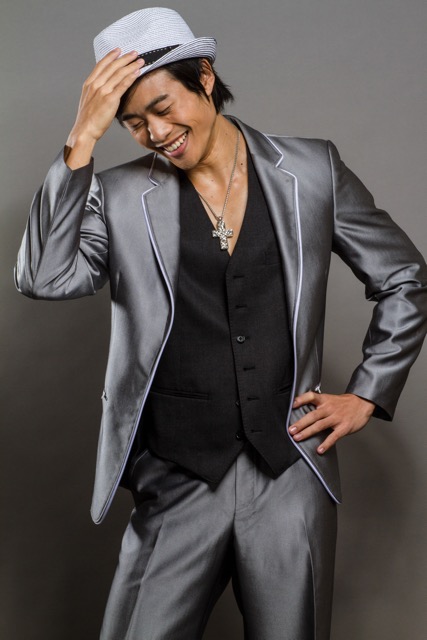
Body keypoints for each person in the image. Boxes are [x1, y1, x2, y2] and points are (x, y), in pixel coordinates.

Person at [15, 7, 427, 640]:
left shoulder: (311, 171)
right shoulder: (117, 195)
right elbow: (44, 277)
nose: (156, 133)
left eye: (162, 108)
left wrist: (368, 393)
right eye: (132, 123)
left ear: (204, 77)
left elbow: (404, 277)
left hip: (289, 472)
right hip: (176, 477)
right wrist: (81, 140)